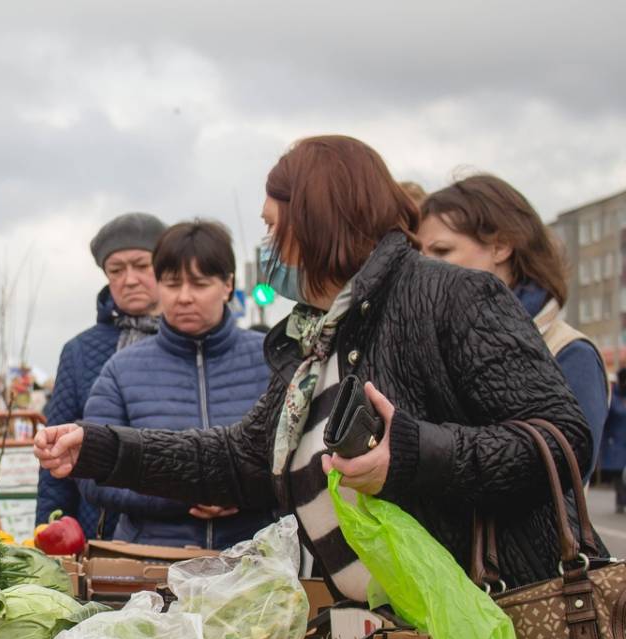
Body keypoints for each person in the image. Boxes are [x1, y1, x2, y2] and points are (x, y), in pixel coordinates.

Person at [36, 135, 603, 605]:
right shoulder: (317, 336)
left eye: (272, 227)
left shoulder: (453, 297)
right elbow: (241, 458)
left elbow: (561, 437)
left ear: (316, 221)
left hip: (485, 616)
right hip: (383, 631)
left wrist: (412, 455)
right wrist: (101, 448)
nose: (269, 247)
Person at [78, 219, 272, 549]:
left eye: (199, 284)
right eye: (171, 284)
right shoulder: (121, 369)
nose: (184, 297)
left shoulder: (270, 360)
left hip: (257, 563)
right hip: (151, 567)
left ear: (227, 285)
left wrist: (242, 491)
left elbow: (301, 463)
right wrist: (181, 495)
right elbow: (92, 474)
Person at [419, 174, 609, 481]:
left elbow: (564, 479)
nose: (425, 267)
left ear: (501, 247)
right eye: (420, 253)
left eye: (441, 251)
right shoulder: (429, 340)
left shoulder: (571, 352)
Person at [35, 212, 166, 538]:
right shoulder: (80, 351)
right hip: (98, 527)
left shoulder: (190, 340)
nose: (130, 279)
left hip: (176, 527)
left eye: (141, 265)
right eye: (116, 270)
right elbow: (56, 454)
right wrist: (50, 530)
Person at [601, 369, 626, 512]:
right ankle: (621, 501)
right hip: (615, 443)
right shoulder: (612, 398)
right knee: (618, 474)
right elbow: (606, 421)